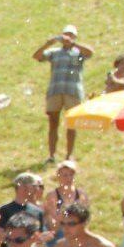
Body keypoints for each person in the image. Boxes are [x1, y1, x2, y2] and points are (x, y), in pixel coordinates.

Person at [34, 25, 92, 162]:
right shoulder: (54, 52)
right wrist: (48, 43)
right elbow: (37, 56)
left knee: (72, 123)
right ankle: (51, 155)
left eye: (70, 35)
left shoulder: (79, 53)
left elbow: (90, 53)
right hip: (55, 90)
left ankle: (69, 154)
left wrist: (73, 44)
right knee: (53, 122)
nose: (67, 37)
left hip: (72, 91)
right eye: (65, 35)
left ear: (75, 37)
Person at [0, 172, 46, 247]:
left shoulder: (38, 212)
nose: (37, 189)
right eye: (33, 186)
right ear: (23, 188)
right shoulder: (5, 210)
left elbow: (39, 241)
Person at [43, 160, 88, 232]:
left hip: (77, 231)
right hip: (59, 231)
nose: (69, 178)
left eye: (71, 174)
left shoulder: (81, 195)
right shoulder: (52, 196)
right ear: (58, 176)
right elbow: (52, 224)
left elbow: (85, 220)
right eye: (65, 175)